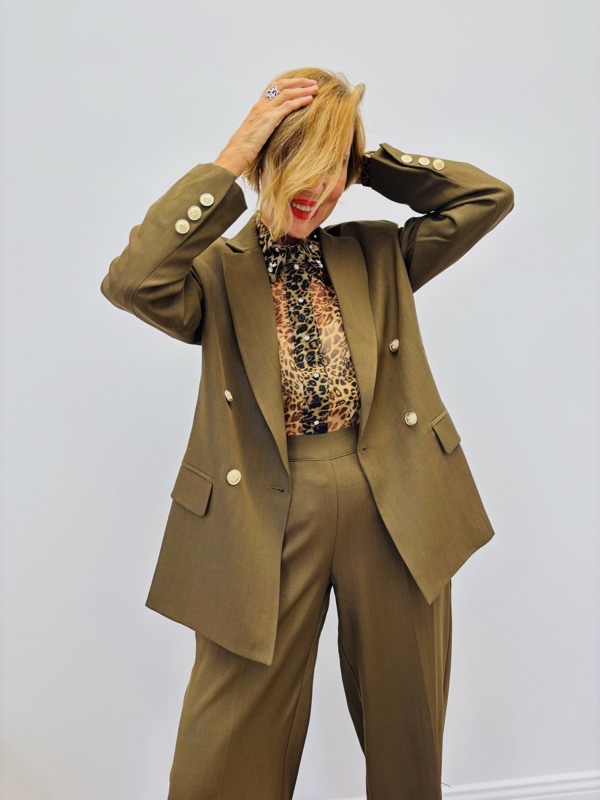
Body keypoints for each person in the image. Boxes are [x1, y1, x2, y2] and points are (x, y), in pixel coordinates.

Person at [101, 67, 514, 800]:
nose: (316, 191)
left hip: (394, 498)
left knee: (408, 726)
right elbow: (133, 281)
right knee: (227, 740)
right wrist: (232, 158)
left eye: (332, 174)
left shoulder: (379, 253)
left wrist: (360, 156)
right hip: (263, 506)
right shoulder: (213, 272)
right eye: (300, 164)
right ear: (265, 161)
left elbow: (487, 198)